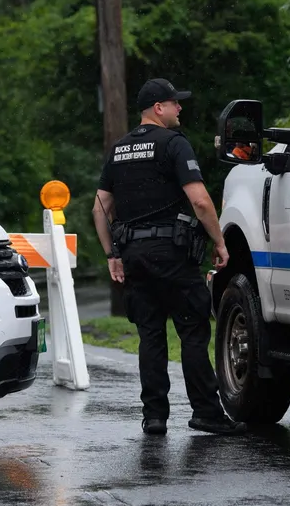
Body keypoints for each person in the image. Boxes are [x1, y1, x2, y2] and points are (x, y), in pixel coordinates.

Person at [93, 78, 248, 436]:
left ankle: (155, 416)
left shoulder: (117, 151)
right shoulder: (174, 144)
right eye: (174, 103)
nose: (180, 108)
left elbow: (100, 209)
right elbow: (199, 200)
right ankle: (206, 413)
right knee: (193, 331)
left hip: (133, 256)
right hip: (173, 255)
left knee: (150, 336)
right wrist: (220, 242)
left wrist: (111, 255)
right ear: (158, 108)